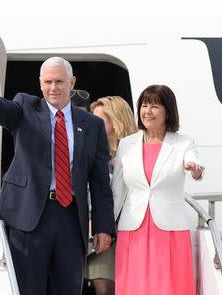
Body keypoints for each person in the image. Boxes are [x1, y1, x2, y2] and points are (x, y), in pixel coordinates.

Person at [0, 48, 115, 295]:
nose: (53, 88)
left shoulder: (91, 125)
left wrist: (103, 226)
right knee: (27, 289)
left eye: (59, 81)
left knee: (70, 289)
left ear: (72, 83)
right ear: (40, 84)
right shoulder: (25, 107)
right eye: (47, 82)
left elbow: (100, 181)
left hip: (71, 218)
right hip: (28, 218)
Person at [112, 85, 204, 295]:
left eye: (155, 106)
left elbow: (194, 161)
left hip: (170, 230)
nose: (148, 111)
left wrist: (195, 169)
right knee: (134, 287)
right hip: (132, 229)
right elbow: (117, 191)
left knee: (168, 288)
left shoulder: (183, 142)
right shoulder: (127, 144)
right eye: (144, 105)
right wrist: (105, 227)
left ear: (168, 111)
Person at [87, 96, 137, 295]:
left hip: (130, 230)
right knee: (104, 288)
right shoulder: (91, 152)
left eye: (98, 119)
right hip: (99, 230)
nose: (92, 123)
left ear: (117, 119)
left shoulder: (136, 152)